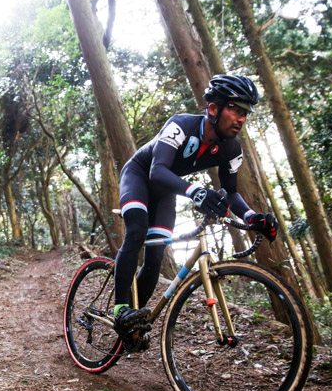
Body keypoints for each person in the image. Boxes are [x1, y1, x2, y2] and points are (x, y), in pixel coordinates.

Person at [112, 74, 279, 345]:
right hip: (140, 176)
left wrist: (252, 217)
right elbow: (157, 170)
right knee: (137, 230)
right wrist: (196, 191)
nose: (241, 119)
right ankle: (120, 309)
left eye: (246, 112)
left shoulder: (232, 149)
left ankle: (132, 323)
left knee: (155, 255)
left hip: (166, 190)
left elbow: (232, 192)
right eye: (236, 109)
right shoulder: (180, 125)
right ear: (213, 108)